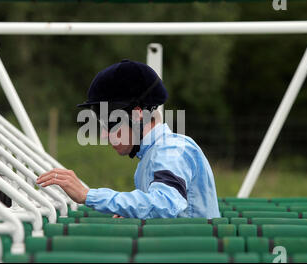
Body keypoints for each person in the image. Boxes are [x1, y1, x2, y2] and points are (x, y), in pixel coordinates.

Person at [36, 59, 220, 219]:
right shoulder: (153, 155)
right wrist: (135, 212)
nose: (104, 134)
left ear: (137, 115)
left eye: (110, 122)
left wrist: (88, 195)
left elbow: (166, 204)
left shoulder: (172, 149)